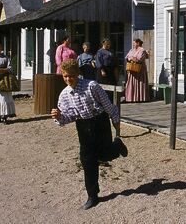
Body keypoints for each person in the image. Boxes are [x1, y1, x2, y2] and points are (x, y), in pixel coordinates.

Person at [50, 59, 128, 210]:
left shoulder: (92, 86)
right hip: (83, 126)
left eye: (71, 75)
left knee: (104, 156)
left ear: (78, 74)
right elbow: (67, 118)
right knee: (87, 161)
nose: (68, 79)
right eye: (65, 76)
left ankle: (117, 146)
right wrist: (58, 116)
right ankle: (92, 195)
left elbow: (109, 107)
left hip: (100, 123)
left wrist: (116, 125)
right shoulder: (64, 95)